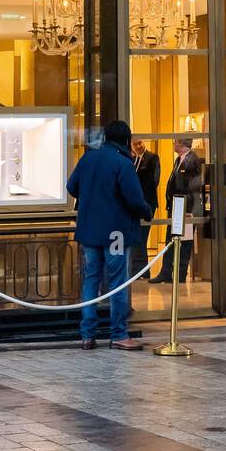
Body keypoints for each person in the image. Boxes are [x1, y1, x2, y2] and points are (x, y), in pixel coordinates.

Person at [66, 120, 152, 351]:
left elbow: (71, 187)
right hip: (116, 232)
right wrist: (147, 211)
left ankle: (87, 335)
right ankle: (118, 334)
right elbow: (134, 198)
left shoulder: (88, 158)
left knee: (91, 280)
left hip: (88, 230)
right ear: (125, 138)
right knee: (117, 283)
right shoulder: (122, 163)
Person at [153, 138, 203, 284]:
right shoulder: (178, 160)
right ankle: (166, 272)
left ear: (182, 144)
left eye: (175, 142)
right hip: (177, 206)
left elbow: (194, 187)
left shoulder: (192, 160)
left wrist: (190, 210)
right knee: (170, 239)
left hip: (186, 207)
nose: (174, 144)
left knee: (185, 242)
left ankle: (180, 274)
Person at [131, 139, 160, 275]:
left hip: (147, 202)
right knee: (138, 237)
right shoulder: (132, 159)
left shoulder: (152, 158)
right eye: (135, 144)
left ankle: (141, 270)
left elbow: (154, 180)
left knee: (143, 236)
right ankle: (140, 270)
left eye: (140, 143)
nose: (138, 146)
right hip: (135, 204)